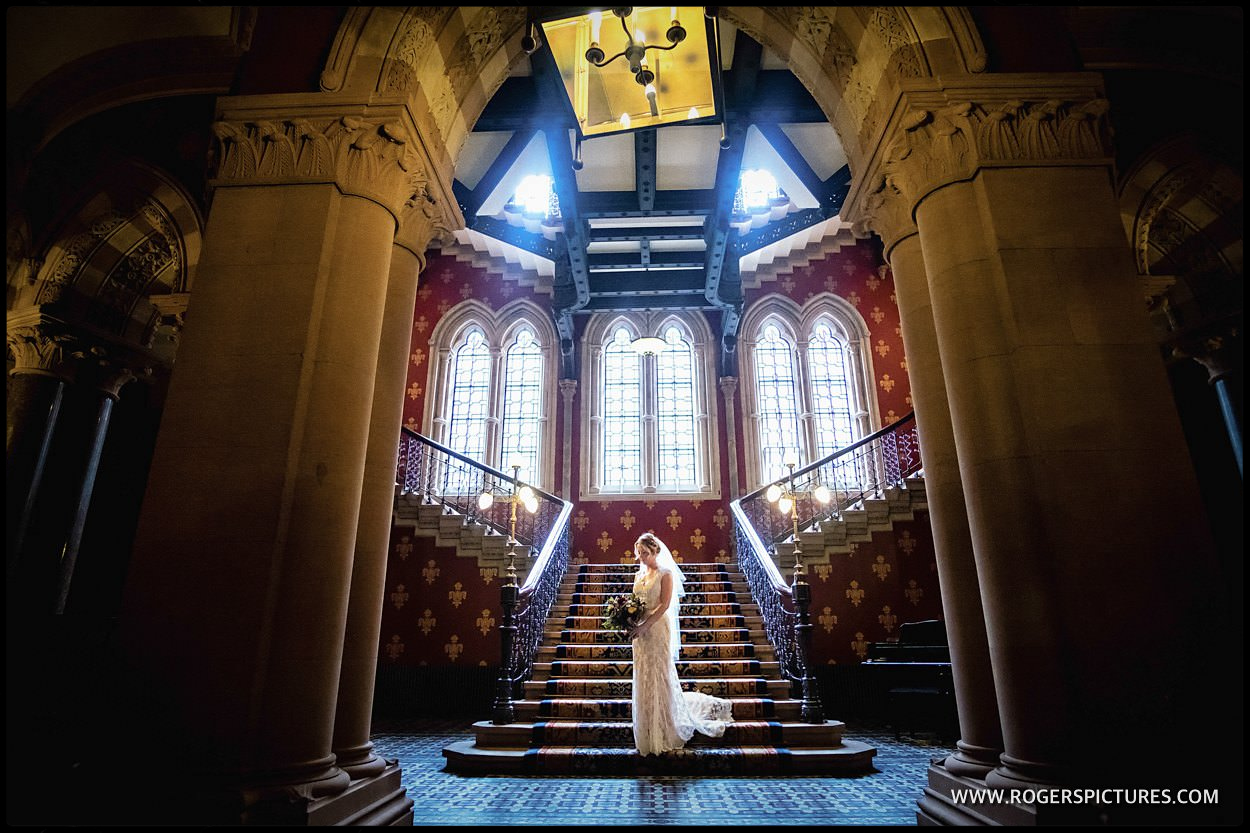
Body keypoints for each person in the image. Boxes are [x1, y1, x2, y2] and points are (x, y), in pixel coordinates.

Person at [627, 531, 734, 755]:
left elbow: (664, 605)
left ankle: (663, 727)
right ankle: (647, 726)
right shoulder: (639, 575)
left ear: (655, 551)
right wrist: (628, 617)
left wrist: (646, 625)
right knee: (643, 673)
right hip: (640, 632)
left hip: (656, 628)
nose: (641, 558)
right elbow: (635, 602)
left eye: (644, 553)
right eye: (638, 554)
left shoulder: (665, 573)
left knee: (659, 674)